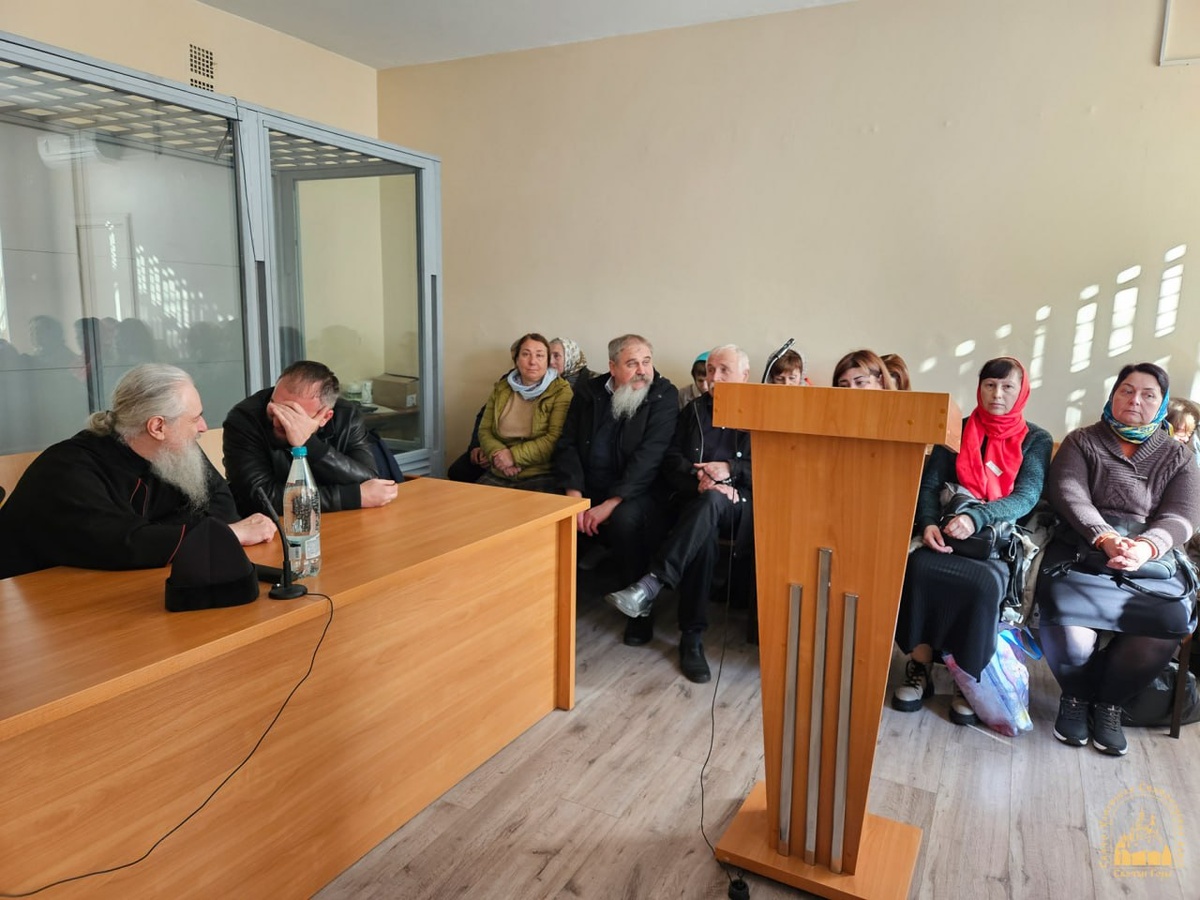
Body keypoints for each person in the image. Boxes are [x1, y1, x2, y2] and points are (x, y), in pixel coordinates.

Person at [1035, 363, 1200, 756]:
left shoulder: (1179, 456)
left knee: (1170, 618)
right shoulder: (1082, 441)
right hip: (1083, 547)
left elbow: (1183, 516)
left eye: (1148, 394)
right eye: (1127, 390)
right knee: (1064, 610)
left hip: (1151, 556)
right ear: (1113, 396)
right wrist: (1105, 536)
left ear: (1161, 405)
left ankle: (1109, 703)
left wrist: (1146, 546)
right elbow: (1068, 492)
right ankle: (1075, 696)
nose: (1135, 400)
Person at [0, 363, 275, 579]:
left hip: (124, 585)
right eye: (195, 418)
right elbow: (123, 544)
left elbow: (221, 505)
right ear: (157, 427)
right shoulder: (67, 469)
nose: (203, 426)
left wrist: (172, 535)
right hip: (30, 600)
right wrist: (228, 534)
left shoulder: (176, 450)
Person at [892, 357, 1052, 724]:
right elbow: (930, 485)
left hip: (998, 542)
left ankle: (966, 678)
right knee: (919, 567)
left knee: (984, 584)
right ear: (980, 388)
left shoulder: (1037, 439)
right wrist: (928, 523)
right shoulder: (958, 429)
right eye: (990, 385)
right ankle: (919, 668)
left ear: (1022, 392)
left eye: (1007, 387)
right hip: (946, 531)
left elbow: (1026, 496)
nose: (997, 394)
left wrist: (977, 517)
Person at [604, 345, 753, 683]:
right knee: (702, 534)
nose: (714, 377)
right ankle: (691, 637)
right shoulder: (693, 411)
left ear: (744, 375)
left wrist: (730, 471)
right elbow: (670, 459)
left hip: (739, 502)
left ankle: (651, 583)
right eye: (710, 370)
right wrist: (697, 478)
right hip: (696, 499)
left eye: (724, 370)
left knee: (711, 505)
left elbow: (775, 468)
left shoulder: (761, 414)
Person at [554, 335, 679, 645]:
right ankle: (551, 598)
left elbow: (650, 457)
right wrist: (573, 494)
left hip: (640, 489)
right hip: (588, 485)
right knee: (548, 509)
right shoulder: (588, 392)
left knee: (626, 520)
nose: (642, 371)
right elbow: (568, 443)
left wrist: (611, 502)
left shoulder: (664, 395)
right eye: (632, 363)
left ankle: (640, 611)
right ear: (612, 367)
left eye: (646, 362)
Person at [223, 360, 398, 518]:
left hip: (338, 520)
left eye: (294, 415)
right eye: (274, 408)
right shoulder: (244, 419)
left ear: (324, 417)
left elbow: (370, 480)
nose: (278, 420)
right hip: (272, 527)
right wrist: (350, 496)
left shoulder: (346, 417)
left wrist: (309, 444)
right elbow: (262, 499)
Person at [476, 333, 573, 492]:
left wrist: (513, 457)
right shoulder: (502, 388)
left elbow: (554, 438)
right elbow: (485, 429)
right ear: (516, 360)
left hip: (540, 472)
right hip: (500, 469)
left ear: (548, 361)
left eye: (539, 355)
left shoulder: (561, 390)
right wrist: (498, 454)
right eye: (526, 354)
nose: (532, 361)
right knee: (473, 504)